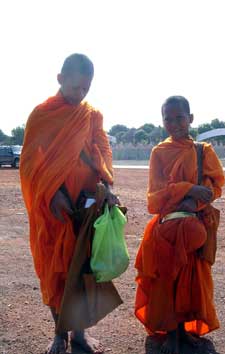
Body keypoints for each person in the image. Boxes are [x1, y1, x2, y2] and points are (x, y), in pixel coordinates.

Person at [20, 53, 119, 354]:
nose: (80, 95)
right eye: (75, 87)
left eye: (86, 89)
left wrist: (107, 183)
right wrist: (51, 193)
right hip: (53, 210)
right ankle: (58, 336)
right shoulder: (42, 114)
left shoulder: (92, 115)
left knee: (81, 271)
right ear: (60, 79)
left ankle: (79, 334)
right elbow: (28, 165)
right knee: (55, 272)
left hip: (86, 207)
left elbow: (102, 149)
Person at [135, 96, 225, 354]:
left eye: (179, 118)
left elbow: (214, 188)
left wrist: (193, 204)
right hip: (166, 231)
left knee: (193, 283)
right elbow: (154, 199)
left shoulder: (203, 151)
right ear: (162, 121)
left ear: (191, 118)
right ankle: (171, 336)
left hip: (196, 226)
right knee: (167, 282)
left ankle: (185, 334)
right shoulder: (159, 153)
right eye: (168, 118)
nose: (174, 123)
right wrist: (188, 189)